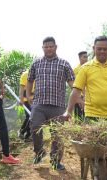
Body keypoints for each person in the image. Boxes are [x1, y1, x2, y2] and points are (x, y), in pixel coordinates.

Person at [26, 37, 75, 170]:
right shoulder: (36, 63)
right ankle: (39, 151)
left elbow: (72, 83)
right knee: (35, 127)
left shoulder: (64, 63)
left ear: (56, 47)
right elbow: (29, 80)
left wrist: (79, 96)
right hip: (39, 104)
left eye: (51, 46)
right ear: (42, 48)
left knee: (57, 134)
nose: (48, 49)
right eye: (46, 47)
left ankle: (55, 161)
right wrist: (28, 94)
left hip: (58, 105)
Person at [62, 36, 107, 121]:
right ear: (94, 48)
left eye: (105, 49)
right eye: (99, 49)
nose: (102, 51)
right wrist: (68, 111)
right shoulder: (85, 68)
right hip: (91, 115)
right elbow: (76, 90)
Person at [18, 70, 34, 141]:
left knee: (32, 117)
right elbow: (22, 89)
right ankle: (22, 131)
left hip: (34, 100)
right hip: (26, 100)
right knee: (30, 116)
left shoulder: (39, 74)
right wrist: (21, 99)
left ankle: (27, 136)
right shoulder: (25, 74)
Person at [73, 51, 88, 121]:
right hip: (79, 97)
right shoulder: (76, 69)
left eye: (87, 57)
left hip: (88, 98)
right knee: (79, 119)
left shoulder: (89, 67)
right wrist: (80, 97)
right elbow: (76, 85)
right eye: (84, 57)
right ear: (79, 58)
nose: (86, 59)